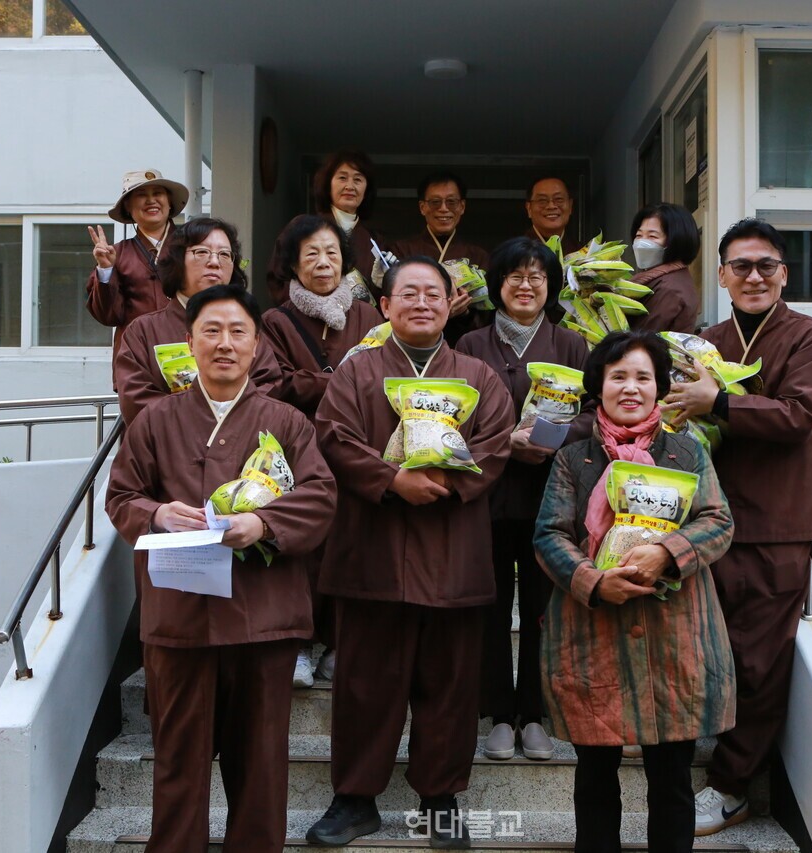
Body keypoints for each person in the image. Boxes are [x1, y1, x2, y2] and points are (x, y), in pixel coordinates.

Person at [105, 284, 337, 853]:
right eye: (211, 331)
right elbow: (120, 496)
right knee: (179, 763)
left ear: (258, 346)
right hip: (179, 620)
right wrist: (156, 512)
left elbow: (321, 495)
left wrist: (264, 524)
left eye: (238, 332)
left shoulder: (285, 420)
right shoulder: (156, 420)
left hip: (264, 619)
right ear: (190, 342)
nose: (225, 344)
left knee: (260, 766)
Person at [306, 258, 514, 848]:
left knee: (450, 686)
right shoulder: (357, 371)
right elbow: (334, 435)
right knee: (364, 684)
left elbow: (496, 442)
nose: (422, 303)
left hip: (453, 553)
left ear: (452, 304)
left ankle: (439, 801)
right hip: (372, 551)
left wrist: (450, 482)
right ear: (387, 306)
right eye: (409, 294)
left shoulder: (479, 375)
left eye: (434, 294)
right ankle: (353, 799)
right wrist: (391, 480)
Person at [662, 218, 812, 836]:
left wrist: (718, 403)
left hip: (776, 525)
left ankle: (732, 785)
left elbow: (798, 416)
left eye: (766, 265)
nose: (754, 276)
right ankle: (673, 753)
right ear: (721, 275)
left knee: (760, 663)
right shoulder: (703, 341)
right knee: (697, 651)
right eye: (741, 266)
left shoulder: (811, 338)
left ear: (784, 274)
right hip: (701, 521)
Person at [534, 329, 735, 853]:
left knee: (671, 780)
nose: (631, 387)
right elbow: (550, 534)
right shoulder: (573, 458)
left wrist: (665, 553)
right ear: (597, 386)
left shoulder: (687, 451)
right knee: (595, 777)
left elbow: (718, 521)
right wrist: (594, 580)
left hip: (675, 636)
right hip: (593, 632)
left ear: (660, 386)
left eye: (643, 377)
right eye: (617, 376)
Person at [455, 237, 588, 764]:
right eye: (515, 275)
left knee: (541, 611)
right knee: (488, 609)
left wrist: (555, 433)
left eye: (537, 276)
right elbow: (450, 418)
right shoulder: (469, 345)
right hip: (485, 499)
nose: (526, 285)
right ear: (498, 285)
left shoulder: (572, 345)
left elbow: (595, 415)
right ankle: (497, 714)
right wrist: (500, 442)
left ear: (551, 285)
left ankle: (535, 713)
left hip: (550, 501)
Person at [259, 213, 384, 688]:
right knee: (302, 548)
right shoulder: (274, 320)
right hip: (299, 450)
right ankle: (299, 645)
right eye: (310, 253)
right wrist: (337, 381)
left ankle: (337, 643)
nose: (323, 262)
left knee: (350, 547)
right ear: (293, 263)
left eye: (331, 252)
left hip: (357, 448)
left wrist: (331, 385)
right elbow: (275, 383)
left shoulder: (369, 316)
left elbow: (381, 381)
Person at [114, 217, 281, 425]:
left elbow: (269, 386)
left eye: (224, 254)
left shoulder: (247, 328)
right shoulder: (143, 331)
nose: (214, 262)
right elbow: (136, 401)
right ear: (177, 261)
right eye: (202, 252)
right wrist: (206, 418)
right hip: (170, 449)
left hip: (240, 448)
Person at [86, 169, 188, 367]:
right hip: (137, 359)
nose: (151, 201)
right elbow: (108, 315)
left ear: (169, 203)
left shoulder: (195, 248)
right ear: (128, 207)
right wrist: (106, 270)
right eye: (141, 195)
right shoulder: (115, 254)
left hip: (189, 354)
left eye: (157, 194)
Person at [390, 171, 492, 343]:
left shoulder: (478, 256)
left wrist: (464, 314)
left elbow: (488, 316)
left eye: (451, 202)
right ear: (422, 207)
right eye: (435, 202)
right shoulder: (401, 251)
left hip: (462, 347)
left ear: (462, 206)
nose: (443, 208)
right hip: (412, 342)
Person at [287, 149, 384, 306]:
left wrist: (381, 283)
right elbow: (279, 279)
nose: (350, 186)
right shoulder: (301, 228)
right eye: (342, 178)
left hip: (361, 325)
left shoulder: (375, 241)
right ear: (328, 184)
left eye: (358, 180)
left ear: (366, 191)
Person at [627, 203, 701, 335]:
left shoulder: (670, 289)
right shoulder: (663, 280)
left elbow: (643, 338)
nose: (641, 243)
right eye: (639, 236)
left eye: (652, 236)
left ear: (676, 241)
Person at [523, 176, 579, 254]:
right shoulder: (513, 253)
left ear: (570, 206)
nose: (551, 206)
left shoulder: (584, 253)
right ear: (529, 208)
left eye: (559, 199)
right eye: (542, 200)